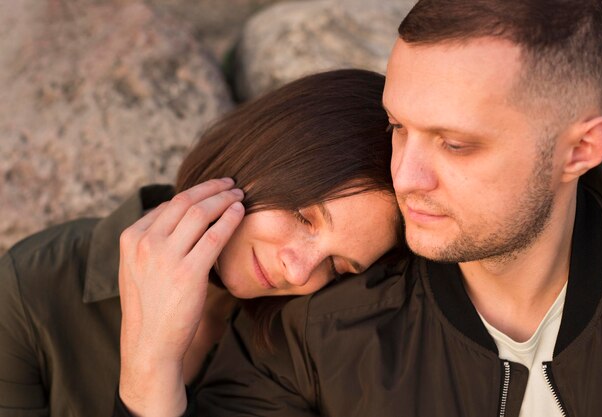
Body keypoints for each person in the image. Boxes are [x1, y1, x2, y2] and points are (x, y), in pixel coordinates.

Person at [114, 0, 602, 416]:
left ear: (579, 151)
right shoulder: (311, 333)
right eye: (398, 127)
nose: (404, 177)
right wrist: (147, 380)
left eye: (454, 144)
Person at [0, 69, 404, 417]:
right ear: (262, 154)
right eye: (302, 217)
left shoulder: (301, 349)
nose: (300, 271)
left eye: (337, 266)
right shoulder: (31, 290)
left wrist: (151, 375)